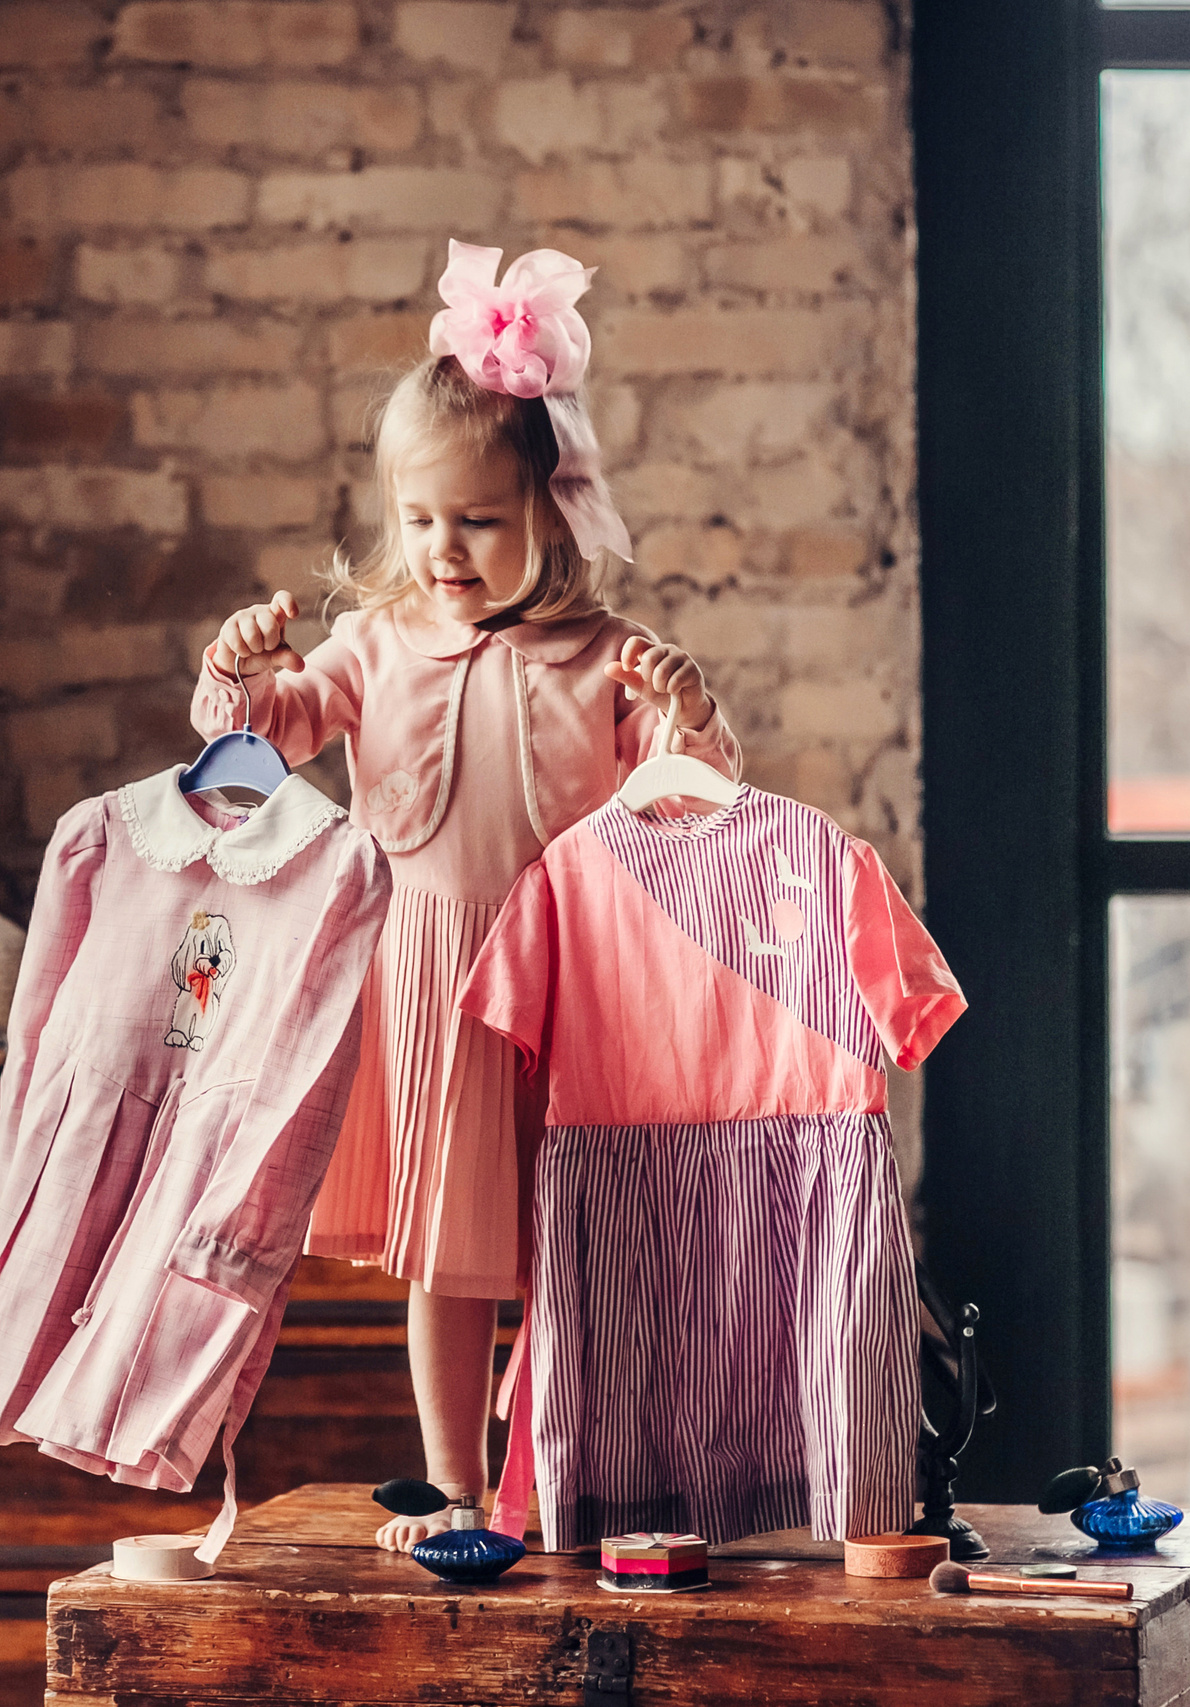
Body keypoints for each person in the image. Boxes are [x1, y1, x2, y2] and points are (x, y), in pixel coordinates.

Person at [192, 241, 743, 1550]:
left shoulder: (606, 659)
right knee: (448, 1253)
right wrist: (239, 677)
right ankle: (453, 1483)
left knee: (578, 1246)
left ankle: (576, 1473)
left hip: (571, 989)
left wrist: (686, 715)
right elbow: (258, 755)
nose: (444, 548)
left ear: (553, 512)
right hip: (431, 987)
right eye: (421, 519)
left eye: (480, 521)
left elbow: (695, 810)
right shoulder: (372, 645)